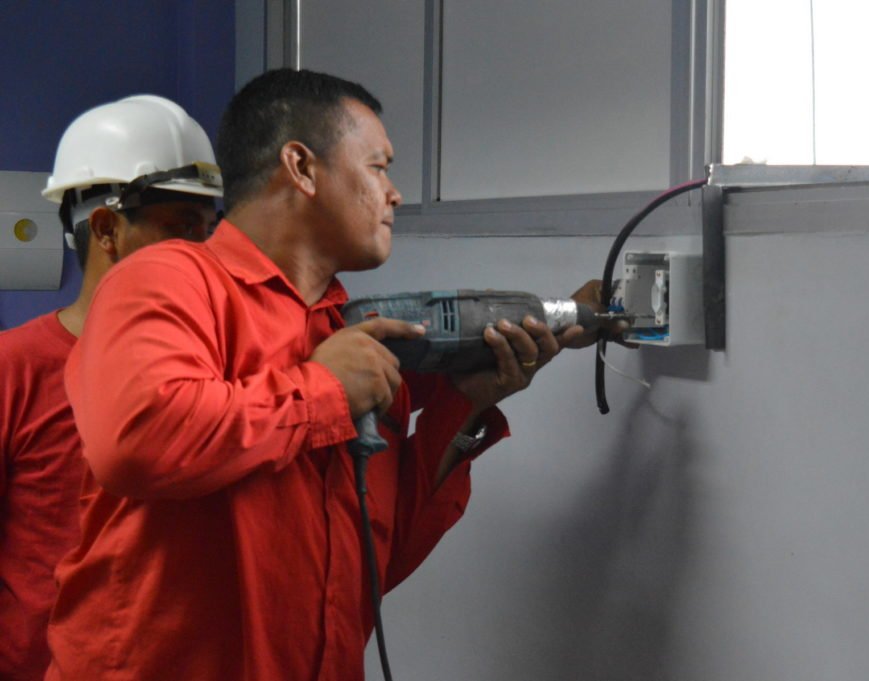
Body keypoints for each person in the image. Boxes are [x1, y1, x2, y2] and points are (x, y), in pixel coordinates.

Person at [45, 69, 607, 681]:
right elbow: (136, 441)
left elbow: (375, 565)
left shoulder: (354, 339)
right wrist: (324, 392)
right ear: (301, 168)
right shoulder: (167, 280)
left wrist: (468, 404)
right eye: (378, 167)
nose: (395, 194)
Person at [0, 95, 221, 680]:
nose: (204, 254)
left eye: (208, 231)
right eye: (180, 228)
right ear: (105, 229)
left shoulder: (216, 371)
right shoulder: (13, 369)